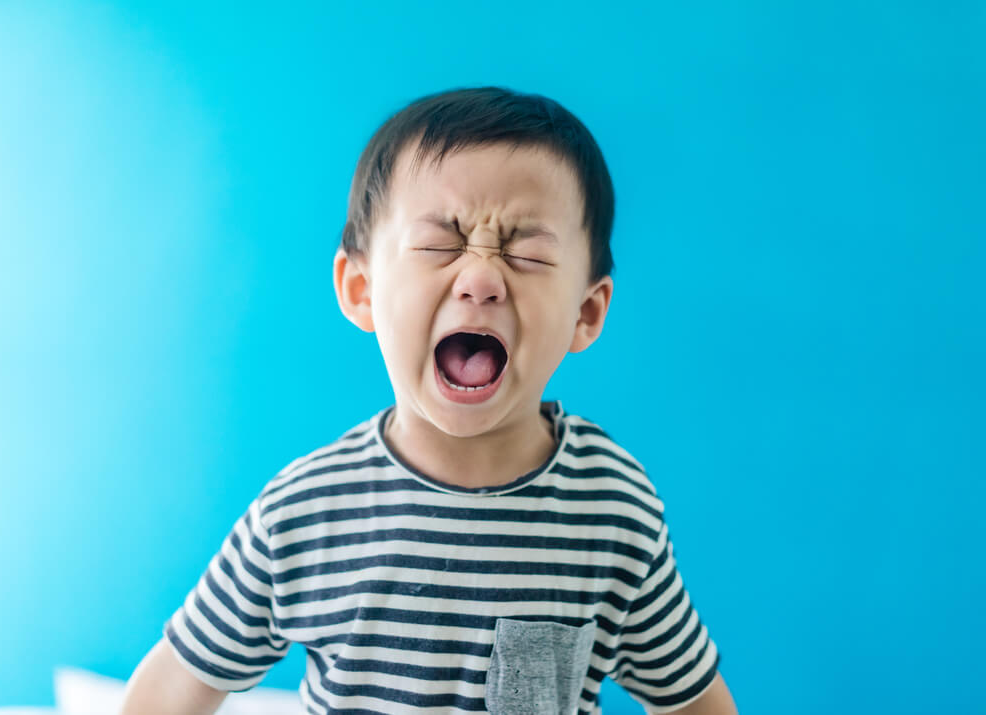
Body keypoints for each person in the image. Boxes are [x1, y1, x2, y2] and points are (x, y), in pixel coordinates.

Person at [120, 86, 738, 715]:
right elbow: (172, 688)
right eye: (441, 243)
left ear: (586, 312)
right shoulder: (305, 512)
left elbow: (694, 701)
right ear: (362, 289)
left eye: (526, 251)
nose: (481, 280)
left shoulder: (611, 510)